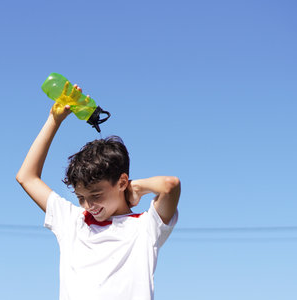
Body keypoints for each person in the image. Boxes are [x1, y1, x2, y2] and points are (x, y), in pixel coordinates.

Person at [16, 83, 181, 300]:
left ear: (122, 182)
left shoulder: (145, 226)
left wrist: (136, 187)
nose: (88, 205)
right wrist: (54, 121)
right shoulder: (72, 221)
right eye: (81, 198)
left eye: (96, 195)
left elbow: (170, 185)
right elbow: (26, 177)